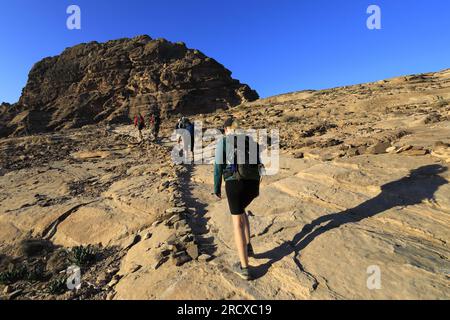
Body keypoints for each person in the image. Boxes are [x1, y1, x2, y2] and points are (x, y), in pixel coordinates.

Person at [213, 118, 262, 281]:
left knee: (237, 223)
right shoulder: (250, 140)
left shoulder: (224, 141)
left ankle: (244, 268)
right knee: (242, 211)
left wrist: (216, 188)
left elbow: (218, 167)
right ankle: (248, 248)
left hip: (235, 183)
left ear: (226, 128)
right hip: (253, 185)